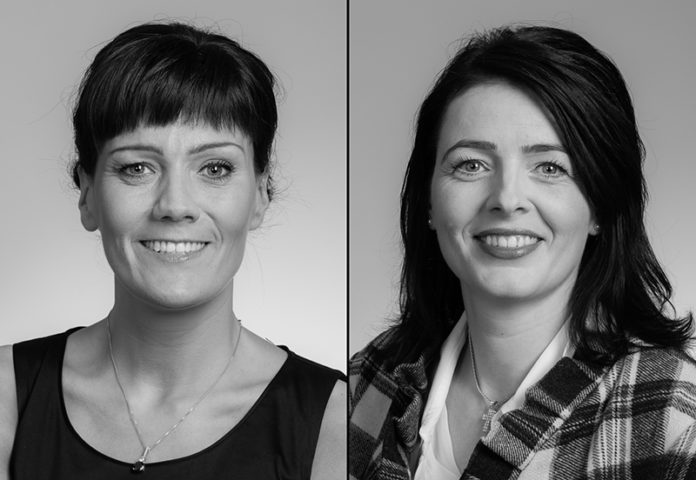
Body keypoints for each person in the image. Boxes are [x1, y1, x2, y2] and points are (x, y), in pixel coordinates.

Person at [0, 22, 345, 479]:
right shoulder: (5, 393)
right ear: (87, 194)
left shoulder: (335, 422)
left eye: (215, 168)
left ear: (261, 196)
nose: (175, 205)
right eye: (137, 167)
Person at [349, 25, 696, 480]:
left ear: (600, 206)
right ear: (429, 201)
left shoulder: (672, 417)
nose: (507, 199)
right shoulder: (367, 380)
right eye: (471, 164)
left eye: (549, 167)